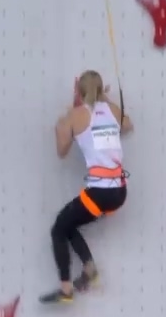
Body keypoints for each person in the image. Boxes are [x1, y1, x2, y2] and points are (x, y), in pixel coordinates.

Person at [40, 70, 134, 304]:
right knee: (69, 224)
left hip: (100, 194)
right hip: (119, 192)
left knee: (58, 229)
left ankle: (66, 289)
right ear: (101, 89)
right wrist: (104, 99)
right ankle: (90, 270)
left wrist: (61, 127)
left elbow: (61, 152)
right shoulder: (112, 110)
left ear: (78, 91)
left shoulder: (74, 117)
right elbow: (128, 125)